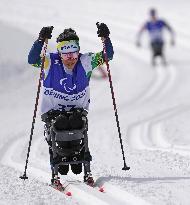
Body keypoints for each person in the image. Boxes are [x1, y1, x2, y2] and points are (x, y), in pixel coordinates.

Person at [28, 23, 114, 185]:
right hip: (53, 112)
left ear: (78, 51)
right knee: (60, 125)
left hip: (78, 111)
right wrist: (40, 40)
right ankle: (57, 170)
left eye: (73, 54)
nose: (70, 59)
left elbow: (107, 55)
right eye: (65, 54)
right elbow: (32, 59)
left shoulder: (86, 61)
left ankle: (83, 167)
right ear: (59, 53)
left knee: (76, 125)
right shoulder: (49, 62)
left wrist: (105, 38)